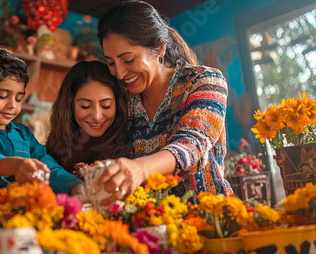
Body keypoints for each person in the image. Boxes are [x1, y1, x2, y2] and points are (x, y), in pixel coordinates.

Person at [95, 0, 234, 205]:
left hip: (212, 220)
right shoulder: (125, 100)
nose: (120, 73)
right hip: (151, 225)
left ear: (159, 48)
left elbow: (191, 144)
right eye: (111, 63)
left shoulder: (204, 81)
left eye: (128, 59)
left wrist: (139, 168)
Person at [0, 48, 84, 227]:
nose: (12, 106)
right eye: (2, 96)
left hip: (18, 226)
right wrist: (16, 165)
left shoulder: (23, 134)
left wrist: (76, 187)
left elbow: (49, 168)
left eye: (19, 98)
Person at [46, 61, 132, 173]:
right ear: (69, 106)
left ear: (117, 105)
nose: (97, 116)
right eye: (85, 106)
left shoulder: (128, 147)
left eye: (106, 106)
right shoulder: (57, 146)